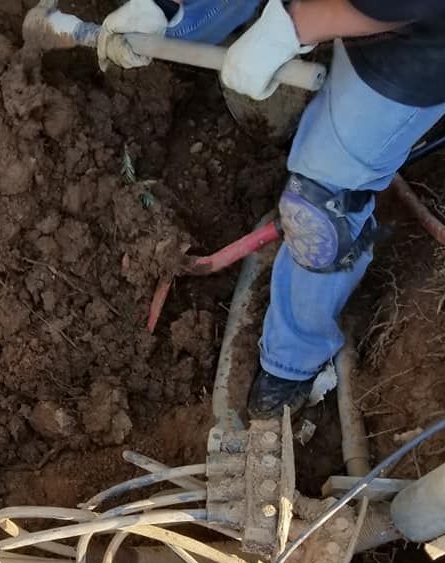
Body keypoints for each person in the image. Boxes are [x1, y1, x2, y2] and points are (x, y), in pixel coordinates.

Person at [99, 0, 445, 418]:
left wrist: (295, 25)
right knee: (179, 20)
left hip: (417, 39)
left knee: (317, 208)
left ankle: (292, 358)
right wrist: (170, 7)